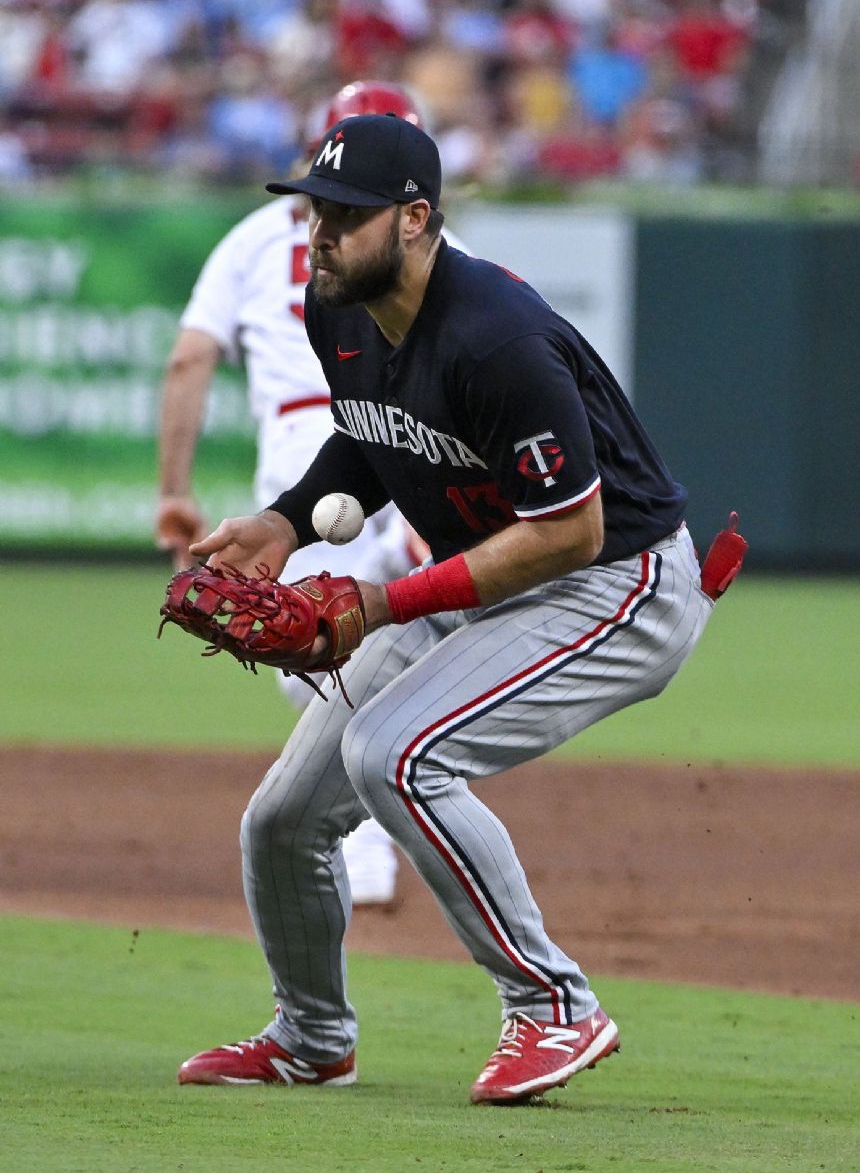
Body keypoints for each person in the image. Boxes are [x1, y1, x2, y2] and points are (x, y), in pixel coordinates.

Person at [176, 113, 713, 1104]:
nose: (318, 230)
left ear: (415, 218)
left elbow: (570, 534)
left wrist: (379, 602)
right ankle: (311, 1037)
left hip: (619, 583)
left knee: (396, 754)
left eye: (345, 213)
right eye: (313, 208)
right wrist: (286, 523)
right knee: (282, 820)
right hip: (487, 574)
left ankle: (554, 1006)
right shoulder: (334, 308)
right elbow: (375, 435)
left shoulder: (494, 337)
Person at [156, 81, 468, 908]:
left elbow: (190, 360)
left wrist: (172, 491)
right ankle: (412, 551)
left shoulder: (258, 238)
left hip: (315, 443)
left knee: (322, 645)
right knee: (318, 646)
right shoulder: (437, 248)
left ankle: (368, 846)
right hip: (412, 438)